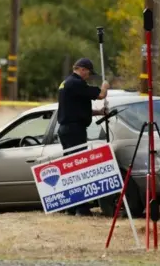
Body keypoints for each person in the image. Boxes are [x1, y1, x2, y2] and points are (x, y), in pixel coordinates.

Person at [57, 58, 110, 216]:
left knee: (70, 167)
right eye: (88, 73)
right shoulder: (76, 83)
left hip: (67, 129)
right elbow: (100, 95)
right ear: (82, 69)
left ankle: (72, 206)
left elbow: (77, 108)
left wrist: (99, 112)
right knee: (78, 167)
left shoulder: (66, 83)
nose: (88, 77)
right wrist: (105, 86)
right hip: (74, 130)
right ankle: (81, 208)